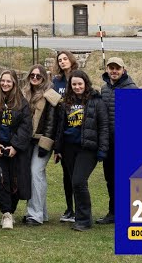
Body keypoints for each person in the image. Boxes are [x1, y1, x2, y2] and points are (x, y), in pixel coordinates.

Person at [54, 70, 109, 232]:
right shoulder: (66, 102)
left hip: (87, 148)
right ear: (70, 86)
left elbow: (103, 127)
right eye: (74, 84)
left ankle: (84, 220)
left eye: (80, 84)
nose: (77, 87)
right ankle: (80, 217)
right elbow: (60, 127)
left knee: (79, 181)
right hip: (68, 148)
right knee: (74, 183)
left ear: (86, 83)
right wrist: (58, 148)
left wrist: (102, 150)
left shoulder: (96, 101)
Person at [0, 69, 32, 230]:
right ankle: (6, 213)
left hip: (15, 148)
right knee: (1, 180)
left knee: (15, 180)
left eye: (9, 81)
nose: (5, 83)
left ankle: (11, 210)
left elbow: (26, 126)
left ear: (14, 83)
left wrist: (15, 146)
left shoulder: (22, 103)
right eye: (3, 81)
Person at [97, 57, 138, 225]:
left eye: (117, 68)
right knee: (110, 178)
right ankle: (113, 212)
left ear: (123, 70)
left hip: (125, 142)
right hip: (108, 142)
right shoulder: (104, 89)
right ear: (107, 69)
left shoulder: (131, 88)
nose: (114, 71)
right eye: (111, 68)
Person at [21, 65, 61, 226]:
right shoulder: (25, 93)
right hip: (28, 140)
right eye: (32, 75)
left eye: (38, 76)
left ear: (44, 77)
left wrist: (47, 143)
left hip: (43, 140)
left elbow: (52, 121)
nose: (35, 78)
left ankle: (35, 214)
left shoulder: (51, 94)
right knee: (36, 175)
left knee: (35, 172)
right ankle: (41, 213)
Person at [51, 50, 78, 222]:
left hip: (76, 128)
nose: (62, 62)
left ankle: (79, 209)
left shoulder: (78, 77)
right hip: (61, 130)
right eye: (60, 60)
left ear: (71, 60)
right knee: (66, 174)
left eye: (65, 59)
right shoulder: (56, 81)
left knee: (77, 175)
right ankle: (69, 209)